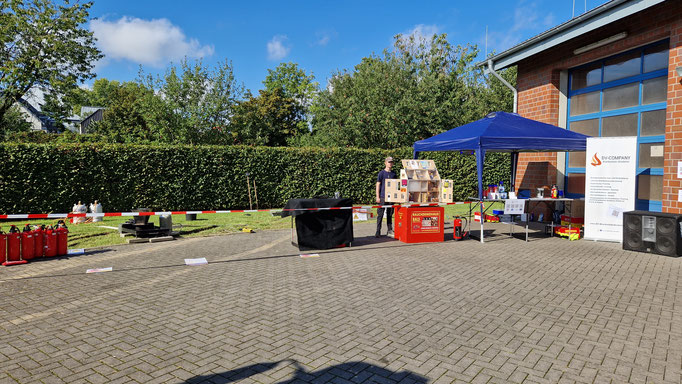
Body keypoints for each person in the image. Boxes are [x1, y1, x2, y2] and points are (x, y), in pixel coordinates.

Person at [375, 156, 396, 238]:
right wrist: (378, 196)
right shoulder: (381, 173)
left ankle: (390, 230)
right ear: (385, 163)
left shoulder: (394, 174)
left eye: (391, 162)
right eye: (389, 162)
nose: (390, 163)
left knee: (390, 214)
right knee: (380, 214)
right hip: (383, 197)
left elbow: (395, 185)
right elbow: (378, 184)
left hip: (391, 197)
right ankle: (378, 231)